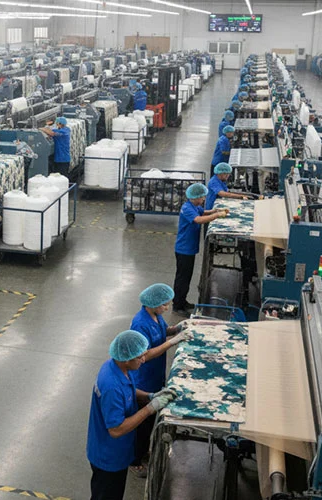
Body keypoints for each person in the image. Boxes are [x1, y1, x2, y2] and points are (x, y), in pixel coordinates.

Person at [87, 330, 176, 500]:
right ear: (127, 359)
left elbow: (128, 390)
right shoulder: (111, 386)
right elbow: (116, 429)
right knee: (106, 495)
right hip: (108, 456)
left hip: (117, 451)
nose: (143, 360)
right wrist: (150, 408)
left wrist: (150, 396)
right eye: (140, 357)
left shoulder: (116, 367)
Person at [128, 284, 192, 476]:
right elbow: (144, 355)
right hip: (144, 379)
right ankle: (134, 461)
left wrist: (177, 329)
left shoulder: (156, 316)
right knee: (141, 424)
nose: (167, 307)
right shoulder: (140, 323)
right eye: (164, 304)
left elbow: (163, 331)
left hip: (155, 375)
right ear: (153, 303)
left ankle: (142, 452)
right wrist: (172, 342)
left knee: (150, 422)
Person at [173, 183, 229, 314]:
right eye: (202, 197)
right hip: (184, 249)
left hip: (189, 248)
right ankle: (178, 306)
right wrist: (216, 216)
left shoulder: (194, 206)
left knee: (187, 278)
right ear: (195, 197)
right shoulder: (187, 208)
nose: (204, 199)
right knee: (182, 279)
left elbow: (203, 212)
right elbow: (198, 219)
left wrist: (215, 211)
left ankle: (183, 301)